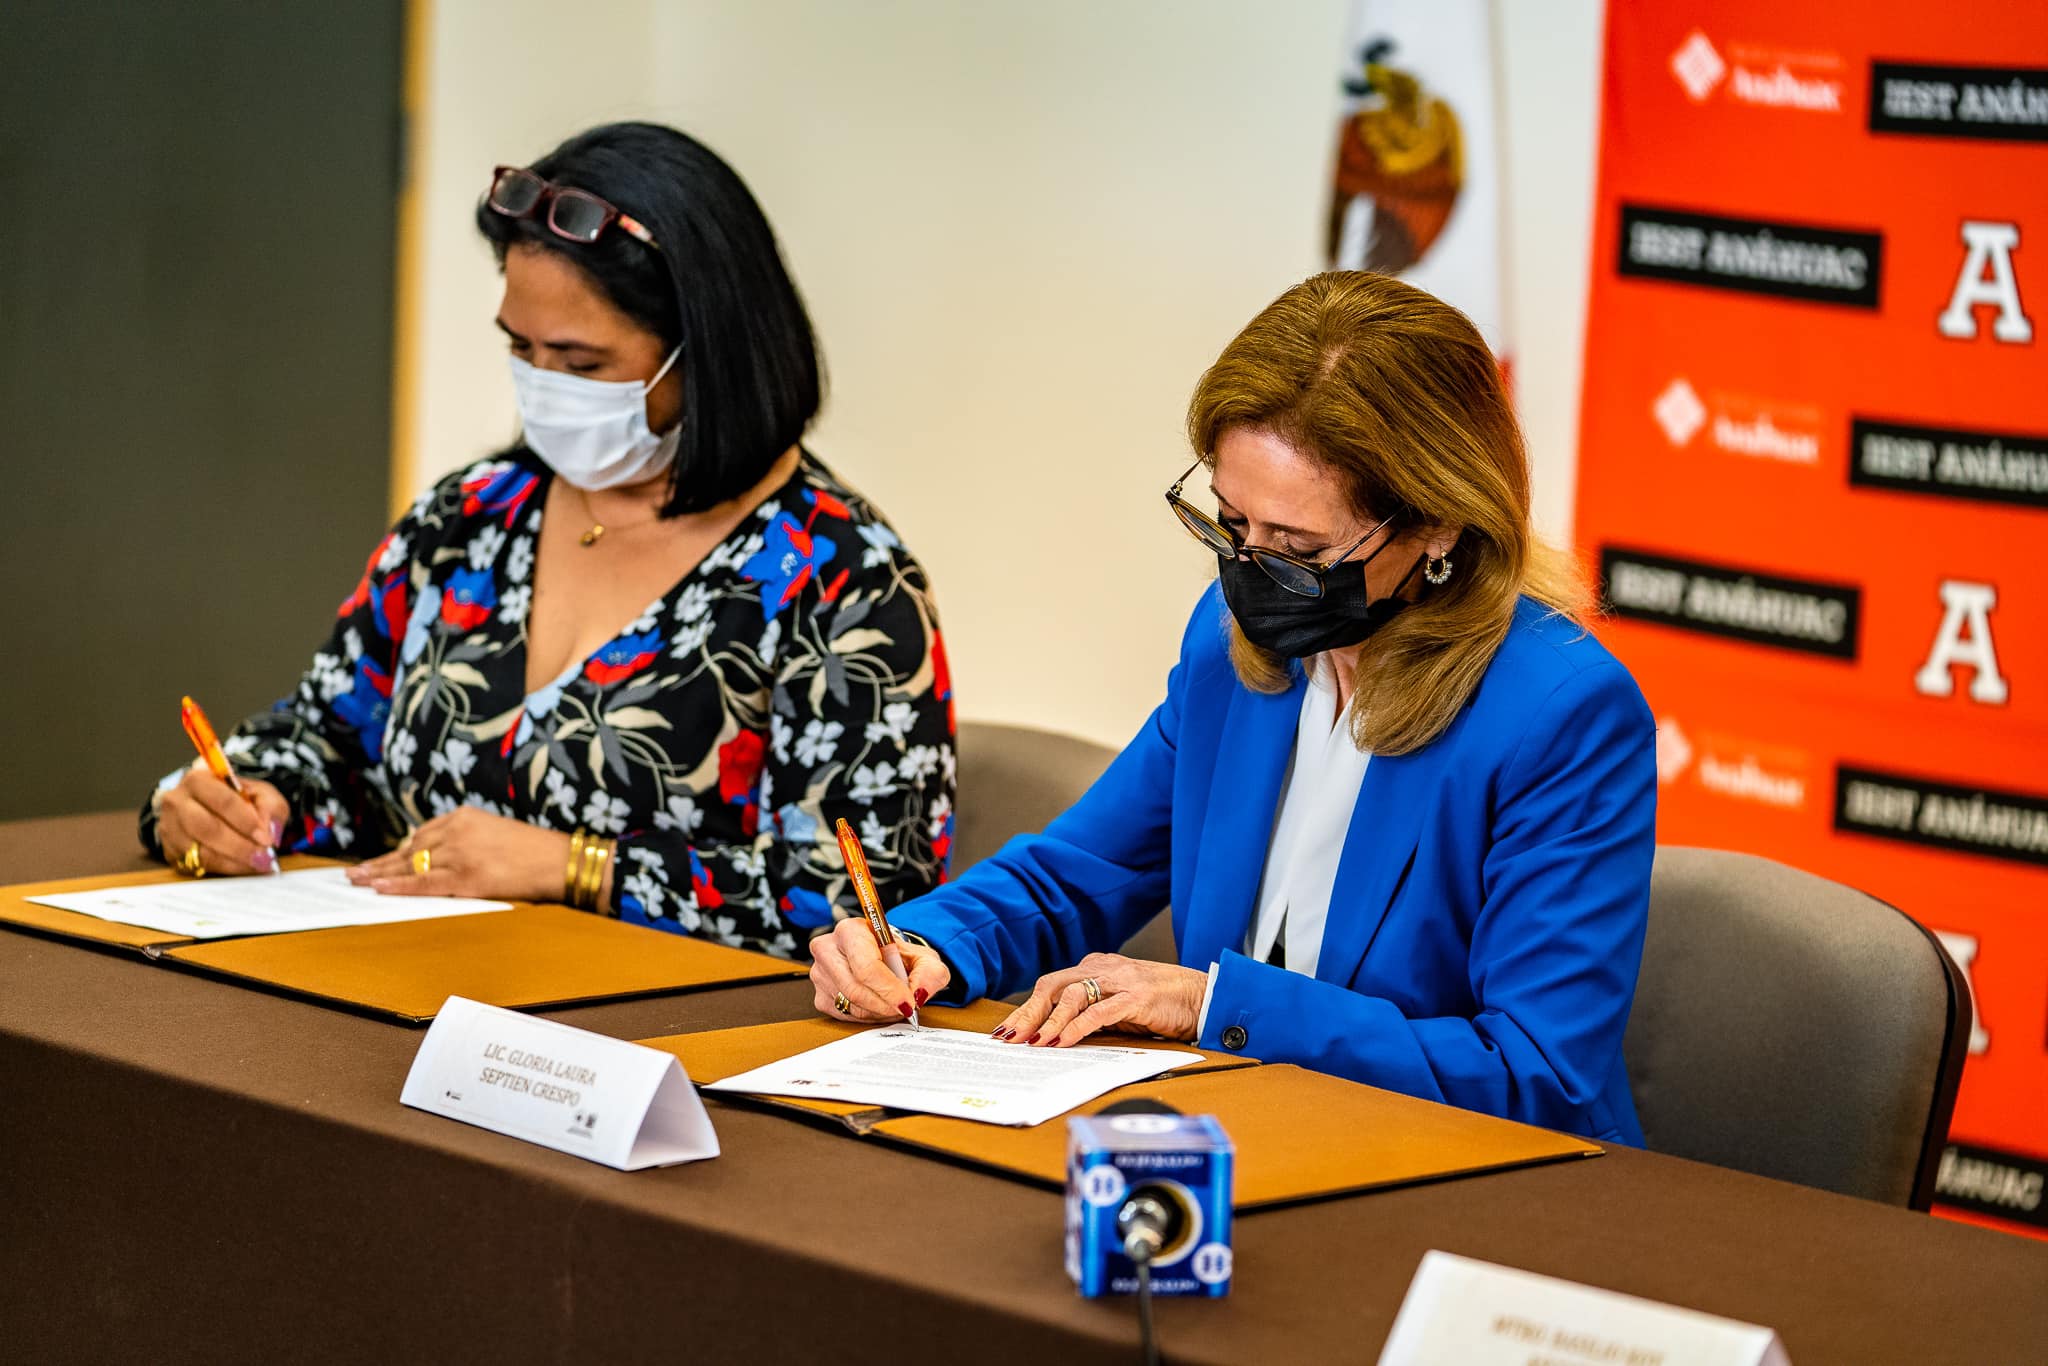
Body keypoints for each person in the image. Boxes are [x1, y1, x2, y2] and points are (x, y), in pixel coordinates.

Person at [811, 272, 1655, 1142]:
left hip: (1470, 1186)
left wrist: (1213, 1004)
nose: (1249, 573)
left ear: (1438, 524)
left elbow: (1536, 1074)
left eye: (1297, 548)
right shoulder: (1232, 652)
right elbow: (1076, 872)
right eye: (1228, 524)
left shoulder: (1562, 716)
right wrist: (922, 946)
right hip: (1242, 1140)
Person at [142, 122, 955, 957]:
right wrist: (239, 798)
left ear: (706, 351)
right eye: (521, 349)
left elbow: (868, 905)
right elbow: (333, 740)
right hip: (401, 999)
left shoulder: (843, 581)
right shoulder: (472, 517)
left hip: (661, 1050)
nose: (542, 387)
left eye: (582, 362)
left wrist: (576, 866)